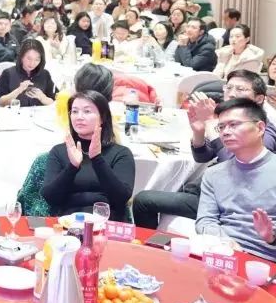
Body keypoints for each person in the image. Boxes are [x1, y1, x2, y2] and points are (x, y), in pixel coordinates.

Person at [133, 72, 276, 229]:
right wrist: (199, 132)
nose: (232, 93)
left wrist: (211, 123)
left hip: (225, 200)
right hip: (207, 187)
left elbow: (236, 165)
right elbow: (202, 156)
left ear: (259, 99)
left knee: (144, 200)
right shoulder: (225, 119)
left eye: (240, 89)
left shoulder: (264, 132)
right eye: (228, 88)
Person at [195, 97, 276, 261]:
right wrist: (226, 242)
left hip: (265, 258)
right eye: (221, 127)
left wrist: (272, 238)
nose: (225, 132)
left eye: (234, 125)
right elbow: (205, 220)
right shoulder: (214, 174)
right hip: (222, 251)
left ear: (260, 128)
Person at [41, 90, 135, 222]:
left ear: (102, 117)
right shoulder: (59, 151)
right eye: (74, 111)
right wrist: (72, 167)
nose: (79, 117)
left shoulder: (120, 153)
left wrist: (97, 159)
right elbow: (50, 198)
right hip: (68, 223)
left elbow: (121, 198)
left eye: (87, 111)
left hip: (107, 223)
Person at [0, 38, 56, 108]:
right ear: (21, 56)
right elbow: (1, 103)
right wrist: (18, 90)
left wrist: (42, 98)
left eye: (37, 60)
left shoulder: (45, 74)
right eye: (29, 58)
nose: (32, 63)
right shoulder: (8, 73)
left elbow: (54, 102)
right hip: (15, 113)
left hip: (39, 114)